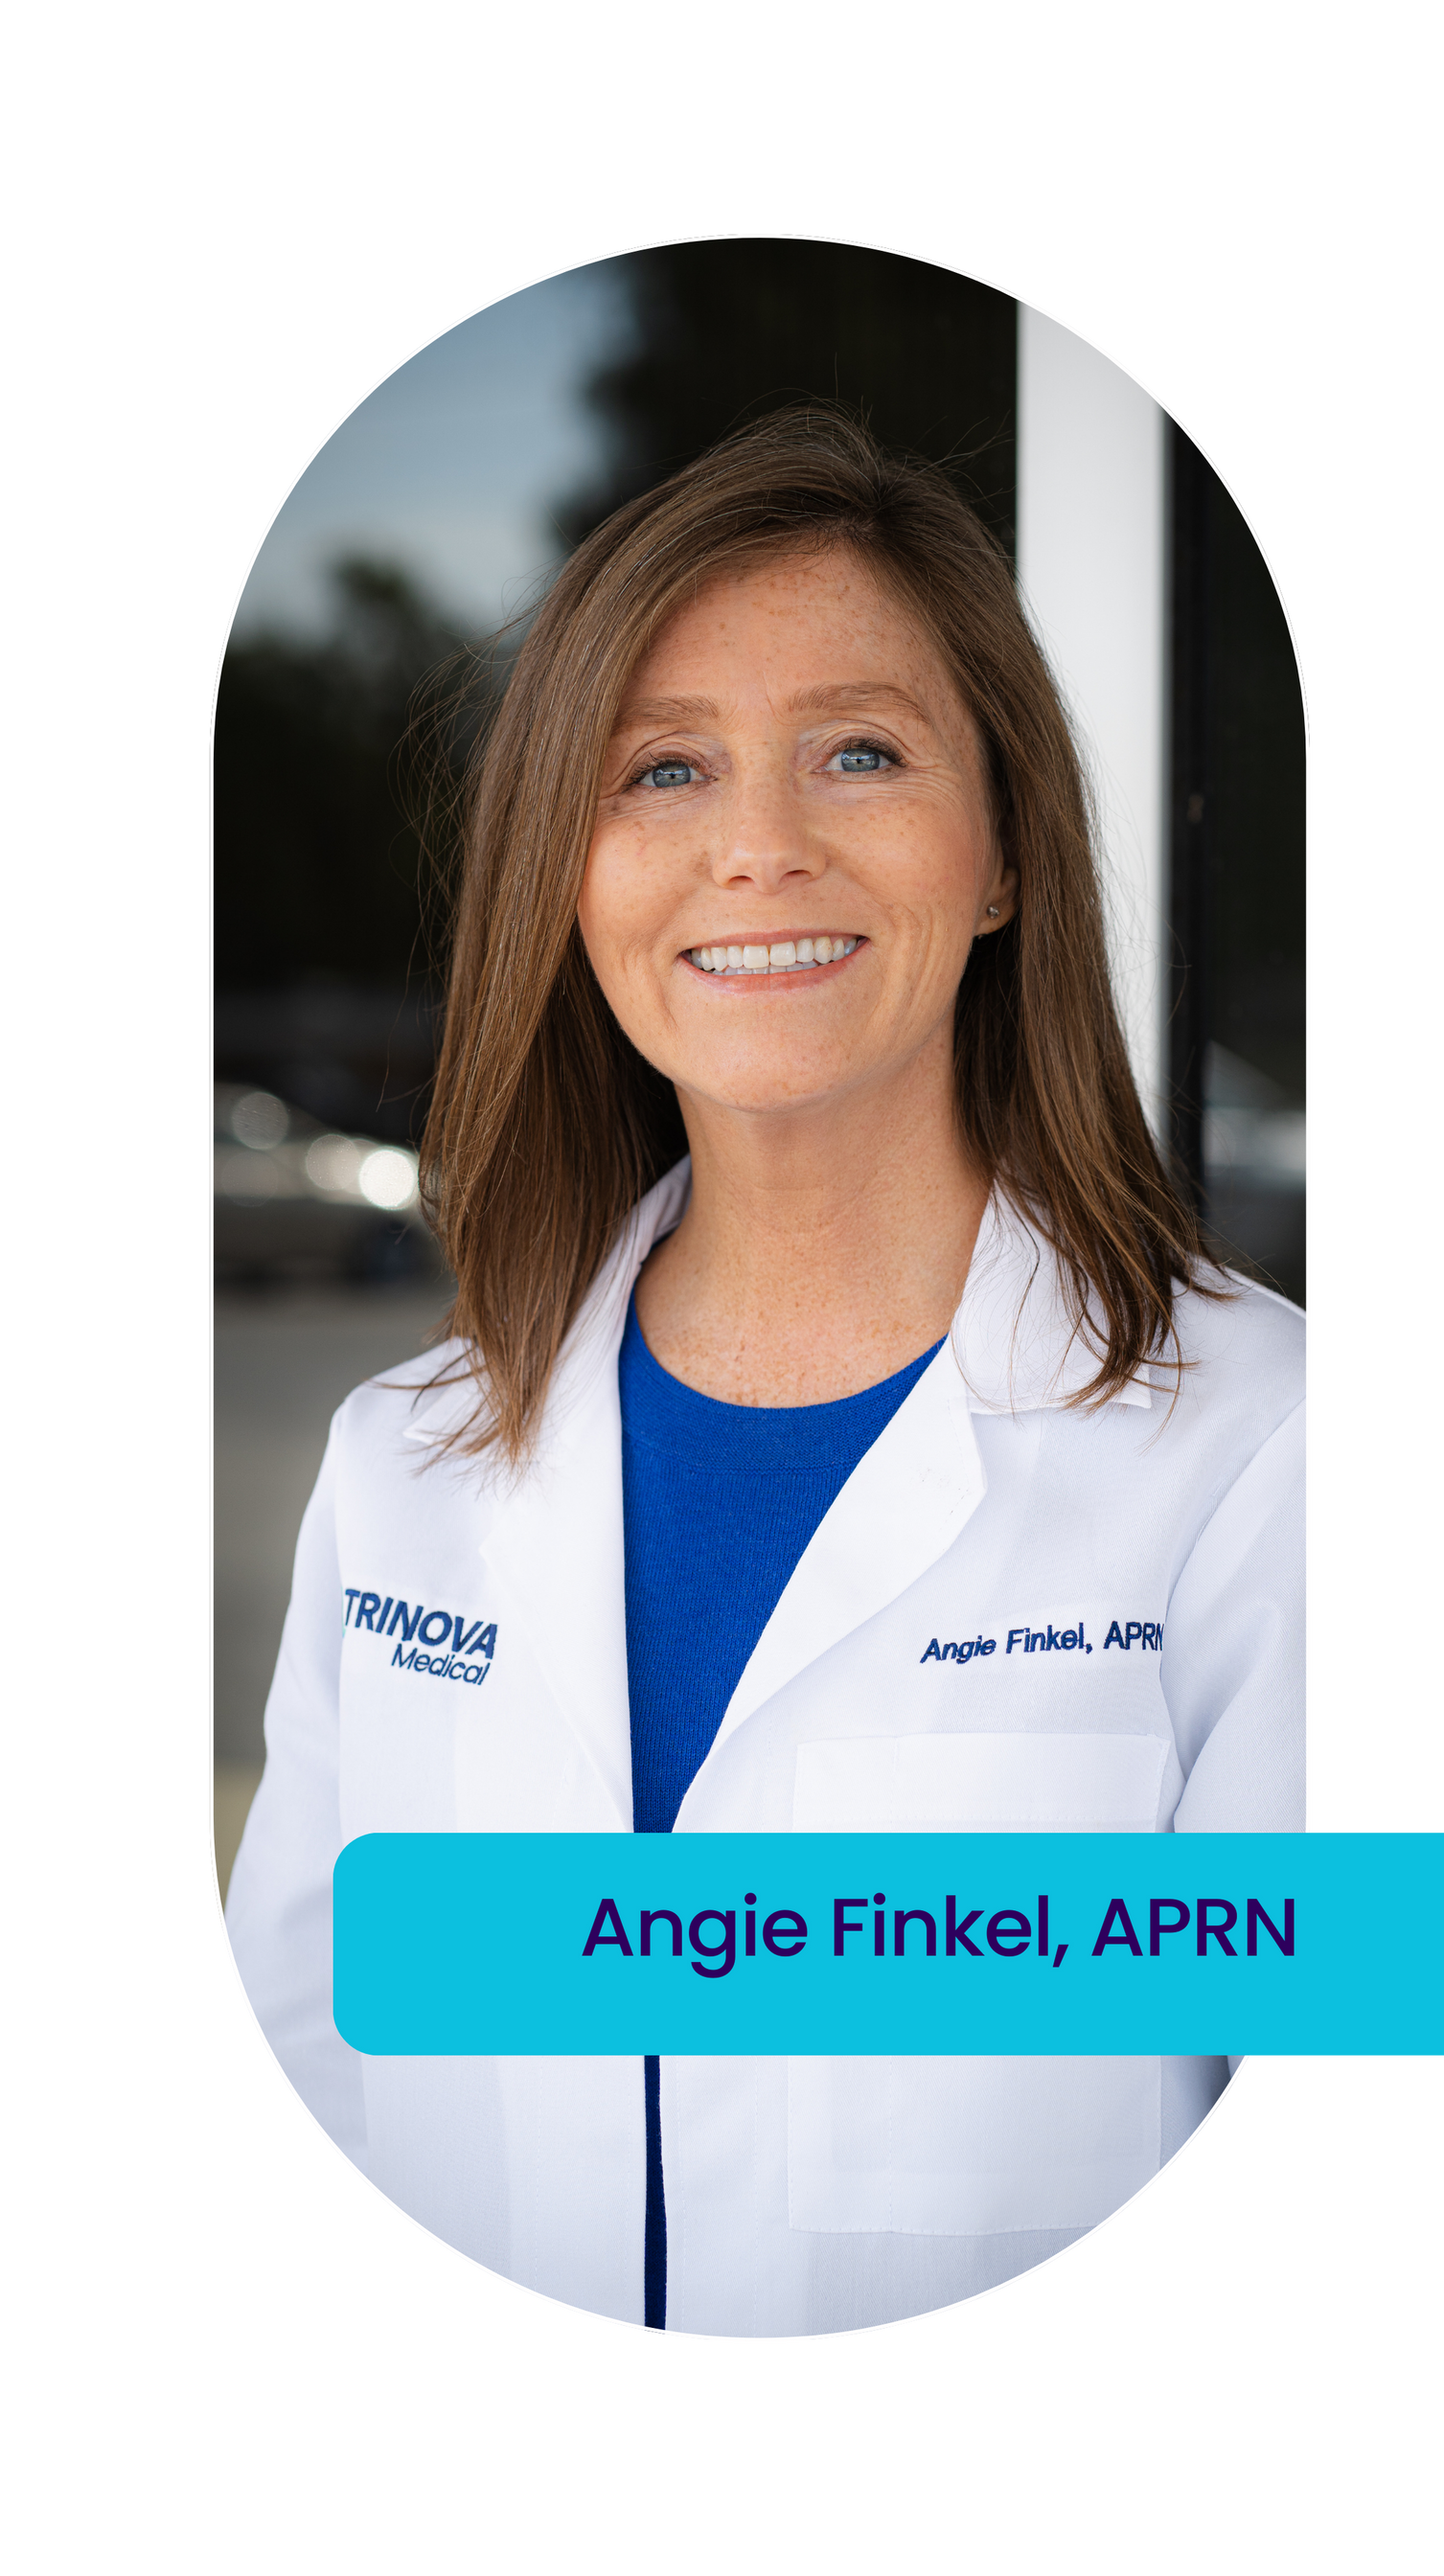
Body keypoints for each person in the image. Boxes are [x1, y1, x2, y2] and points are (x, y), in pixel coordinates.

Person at [224, 406, 1305, 2340]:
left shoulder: (1258, 1454)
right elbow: (319, 2065)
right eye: (660, 772)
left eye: (862, 751)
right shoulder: (405, 1469)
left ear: (1000, 856)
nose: (759, 848)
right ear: (570, 870)